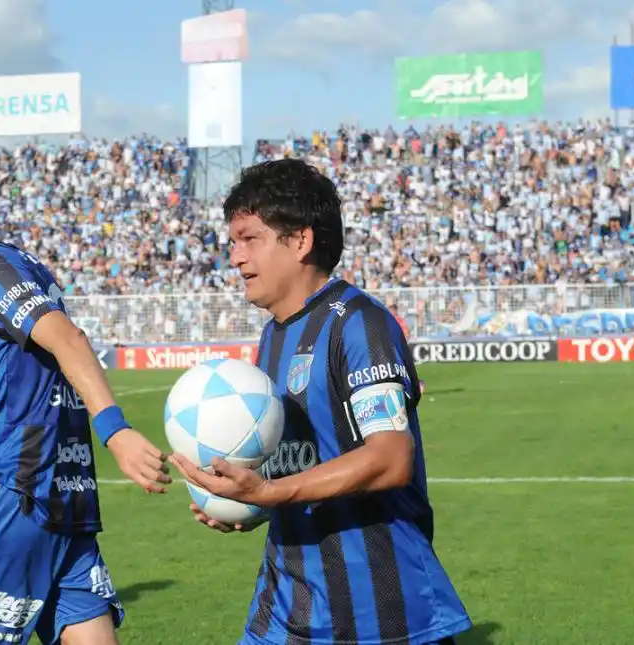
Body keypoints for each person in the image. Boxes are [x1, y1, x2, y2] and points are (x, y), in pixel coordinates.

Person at [170, 158, 472, 645]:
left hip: (380, 609)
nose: (236, 257)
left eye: (250, 239)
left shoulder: (359, 324)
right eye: (232, 242)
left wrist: (268, 494)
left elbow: (391, 459)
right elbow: (302, 463)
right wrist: (245, 503)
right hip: (289, 600)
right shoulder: (270, 340)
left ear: (301, 241)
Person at [0, 152, 172, 645]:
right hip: (66, 497)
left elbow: (68, 341)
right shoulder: (24, 265)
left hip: (13, 489)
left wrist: (116, 431)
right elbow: (24, 364)